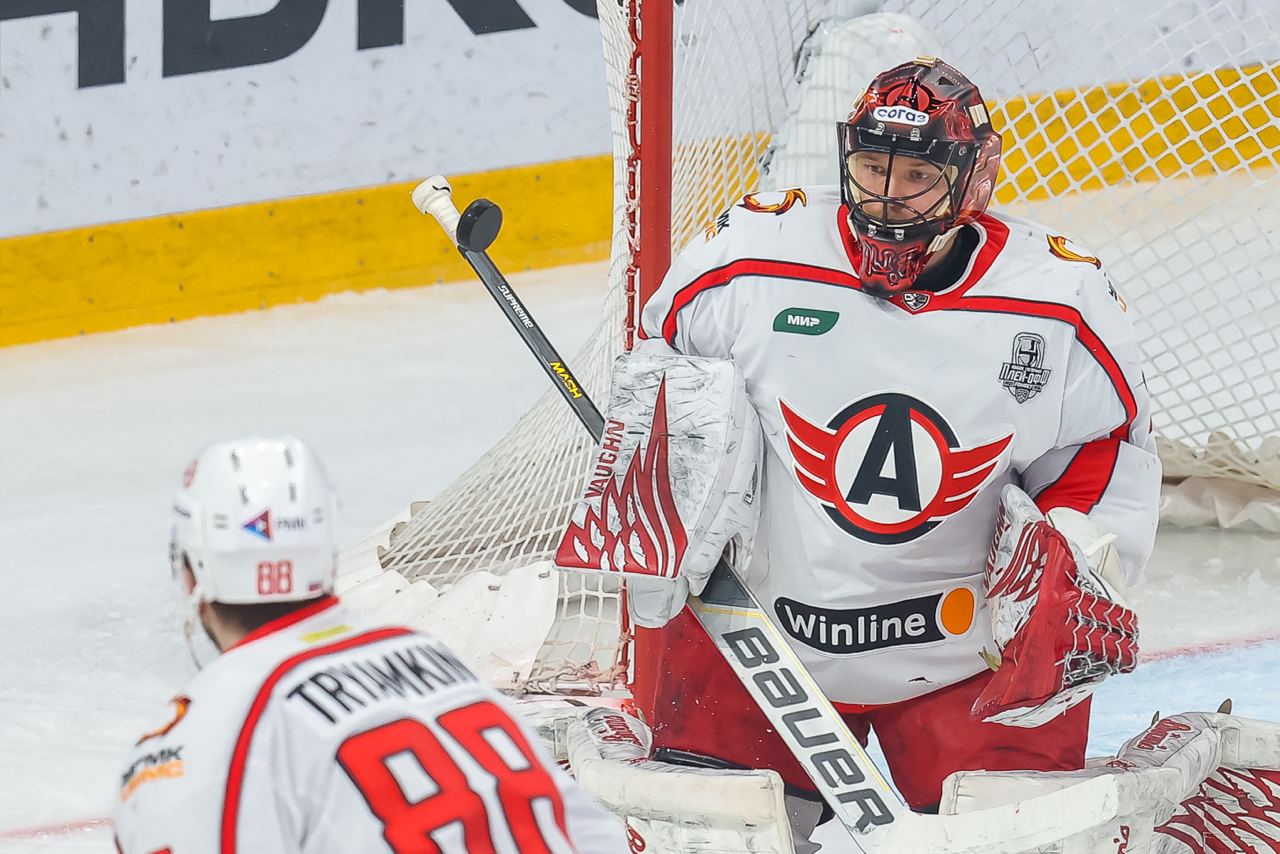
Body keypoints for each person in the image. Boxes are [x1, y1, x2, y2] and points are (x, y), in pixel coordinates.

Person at [627, 56, 1162, 827]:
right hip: (753, 636)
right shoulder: (750, 260)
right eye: (872, 167)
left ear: (972, 180)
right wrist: (658, 504)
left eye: (916, 175)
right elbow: (663, 373)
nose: (887, 194)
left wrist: (1080, 559)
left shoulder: (1058, 301)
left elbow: (1104, 449)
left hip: (972, 665)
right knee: (703, 842)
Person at [113, 436, 626, 854]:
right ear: (328, 559)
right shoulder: (434, 663)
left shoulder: (204, 732)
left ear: (190, 572)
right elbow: (590, 836)